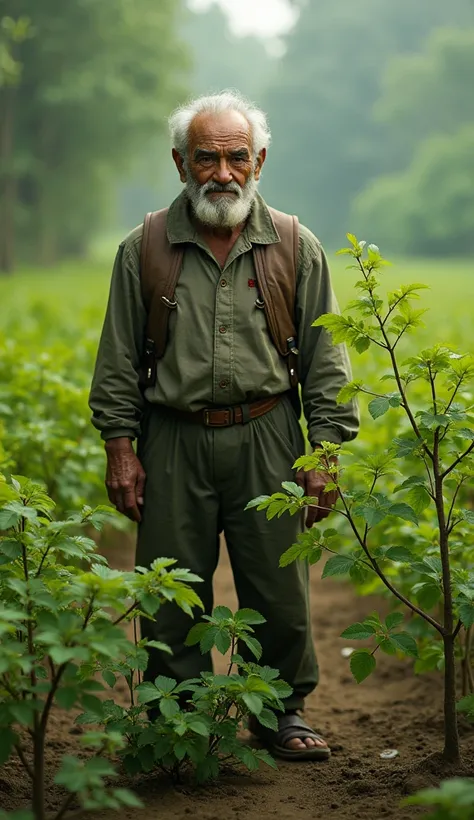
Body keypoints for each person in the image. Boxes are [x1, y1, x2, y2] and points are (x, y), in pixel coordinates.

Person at [89, 90, 359, 761]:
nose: (223, 173)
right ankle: (173, 718)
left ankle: (281, 712)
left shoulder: (295, 245)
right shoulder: (145, 248)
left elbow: (328, 359)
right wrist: (120, 446)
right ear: (180, 163)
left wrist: (324, 450)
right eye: (206, 158)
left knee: (278, 585)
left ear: (259, 160)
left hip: (269, 434)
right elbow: (119, 357)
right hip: (172, 436)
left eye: (237, 157)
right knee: (170, 585)